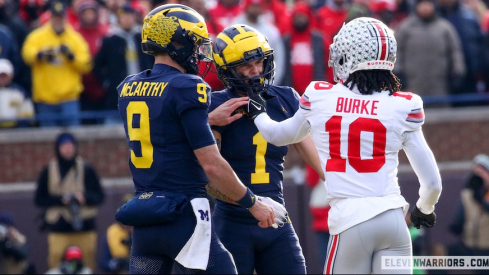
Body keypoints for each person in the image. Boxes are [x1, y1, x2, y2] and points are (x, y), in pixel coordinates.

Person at [248, 17, 443, 274]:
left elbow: (278, 135)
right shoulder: (403, 105)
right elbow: (433, 184)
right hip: (393, 221)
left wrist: (258, 112)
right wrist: (424, 209)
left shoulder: (321, 96)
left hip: (351, 221)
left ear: (347, 54)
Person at [114, 4, 277, 274]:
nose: (199, 53)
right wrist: (252, 203)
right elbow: (211, 164)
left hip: (145, 219)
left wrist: (207, 119)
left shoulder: (128, 87)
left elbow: (162, 131)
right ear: (177, 43)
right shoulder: (189, 87)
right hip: (184, 216)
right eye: (195, 44)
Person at [208, 24, 324, 274]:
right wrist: (207, 121)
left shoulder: (285, 98)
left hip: (277, 217)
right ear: (228, 70)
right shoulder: (217, 105)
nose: (256, 70)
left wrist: (339, 185)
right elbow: (211, 177)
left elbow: (309, 149)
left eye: (259, 61)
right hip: (232, 221)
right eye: (245, 66)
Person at [34, 132, 105, 271]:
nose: (68, 149)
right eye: (64, 146)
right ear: (58, 148)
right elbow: (39, 198)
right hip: (59, 227)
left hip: (84, 225)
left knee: (88, 262)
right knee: (55, 260)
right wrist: (61, 200)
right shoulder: (49, 169)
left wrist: (83, 198)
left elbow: (100, 196)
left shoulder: (86, 168)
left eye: (71, 145)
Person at [21, 0, 91, 127]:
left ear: (65, 18)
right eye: (55, 17)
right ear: (50, 18)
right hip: (45, 97)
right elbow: (26, 54)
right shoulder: (37, 37)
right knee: (48, 139)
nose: (58, 20)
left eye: (60, 17)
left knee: (73, 136)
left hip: (69, 97)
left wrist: (71, 57)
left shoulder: (75, 38)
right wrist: (40, 55)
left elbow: (86, 64)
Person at [448, 154, 489, 258]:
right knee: (440, 256)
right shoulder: (468, 194)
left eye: (482, 173)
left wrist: (482, 200)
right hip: (470, 247)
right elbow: (459, 220)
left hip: (486, 248)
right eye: (476, 174)